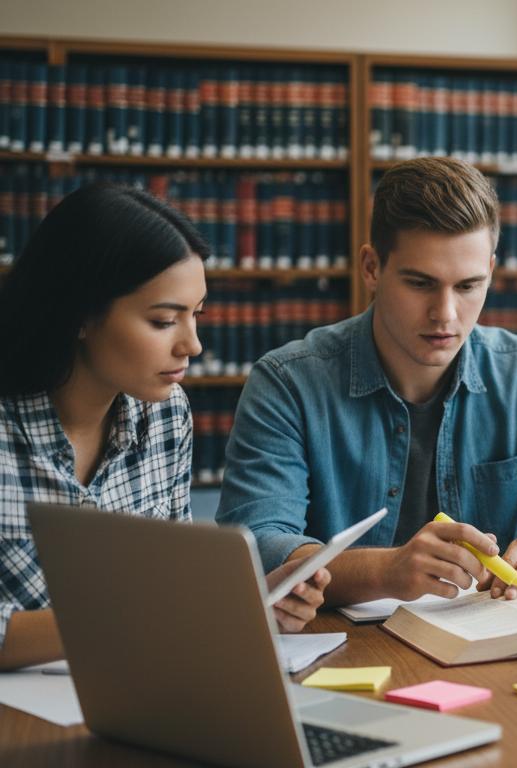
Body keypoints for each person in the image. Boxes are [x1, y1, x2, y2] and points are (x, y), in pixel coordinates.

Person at [216, 157, 517, 607]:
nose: (445, 315)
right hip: (339, 647)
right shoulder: (287, 383)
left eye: (469, 286)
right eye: (420, 283)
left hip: (488, 640)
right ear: (371, 267)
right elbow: (258, 543)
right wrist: (384, 571)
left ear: (490, 270)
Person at [0, 183, 328, 671]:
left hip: (137, 691)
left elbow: (170, 589)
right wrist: (136, 620)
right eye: (163, 321)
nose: (192, 345)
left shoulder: (166, 414)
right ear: (80, 317)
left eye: (195, 315)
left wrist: (252, 604)